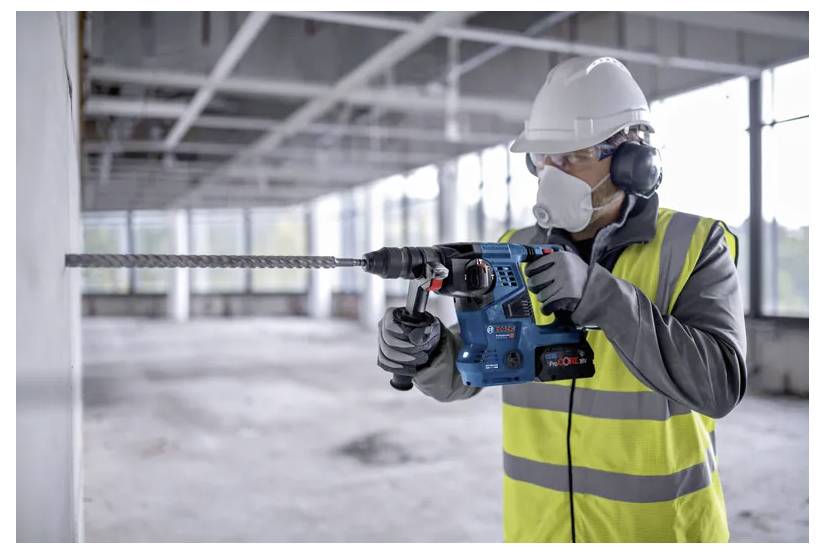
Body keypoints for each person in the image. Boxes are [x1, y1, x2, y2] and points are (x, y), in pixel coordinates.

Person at [376, 55, 747, 543]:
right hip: (540, 532)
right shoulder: (512, 248)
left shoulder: (693, 244)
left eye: (572, 157)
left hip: (658, 532)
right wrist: (429, 353)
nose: (553, 172)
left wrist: (600, 296)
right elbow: (478, 366)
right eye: (543, 158)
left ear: (632, 163)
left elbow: (719, 385)